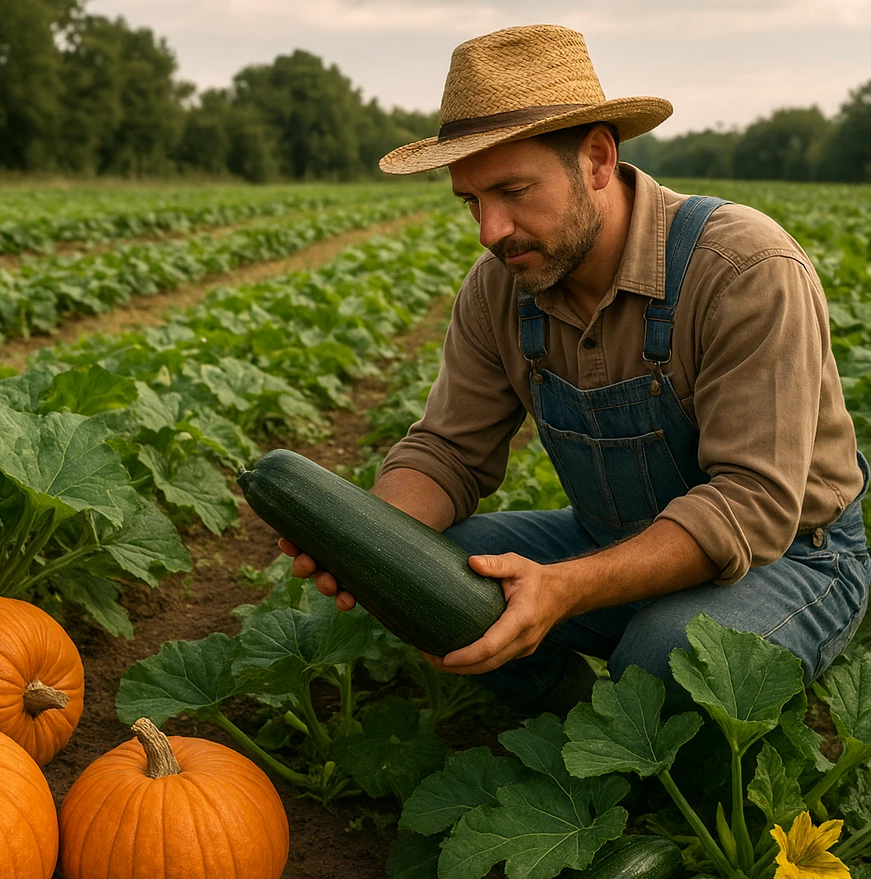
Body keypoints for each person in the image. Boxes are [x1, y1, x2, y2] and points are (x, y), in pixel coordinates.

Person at [280, 24, 871, 713]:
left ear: (595, 159)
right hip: (608, 537)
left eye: (511, 190)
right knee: (431, 573)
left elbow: (751, 504)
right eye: (472, 201)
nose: (489, 230)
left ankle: (637, 751)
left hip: (792, 559)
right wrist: (369, 539)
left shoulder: (743, 268)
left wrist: (565, 588)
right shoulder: (499, 285)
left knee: (669, 659)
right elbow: (447, 452)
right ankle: (565, 720)